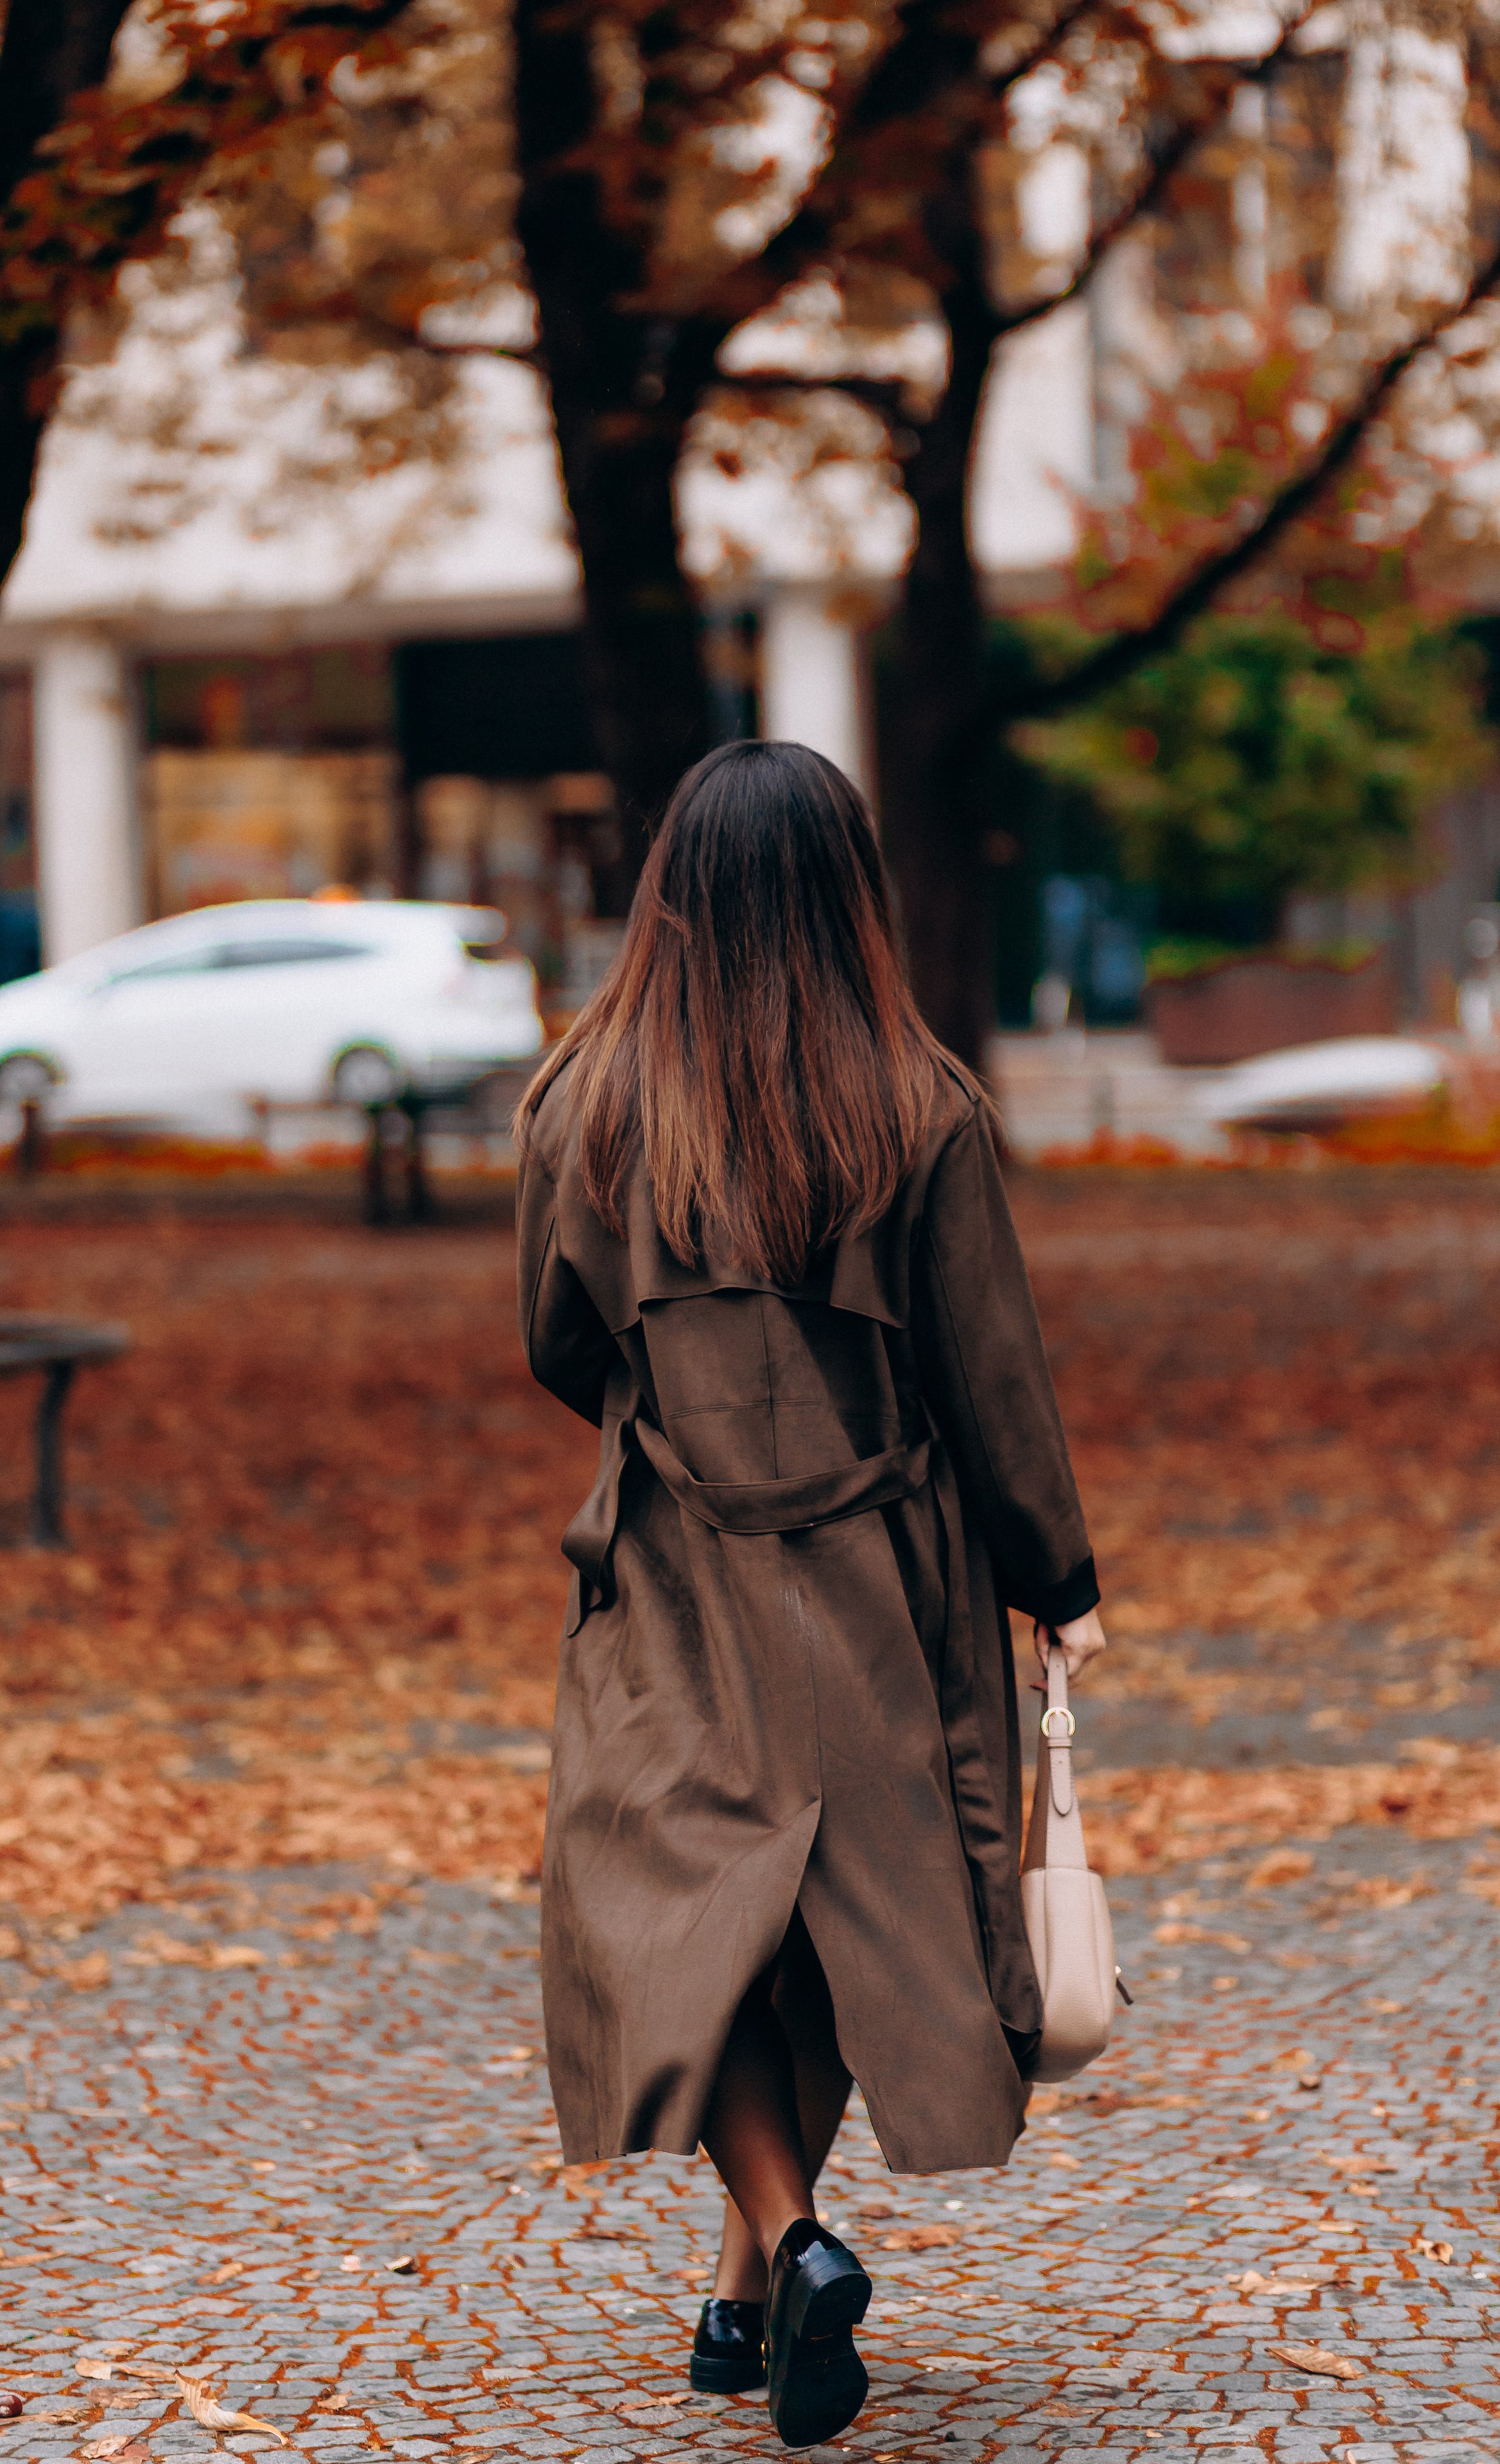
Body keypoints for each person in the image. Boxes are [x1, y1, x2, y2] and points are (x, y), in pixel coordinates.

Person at [515, 741, 1107, 2451]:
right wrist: (1056, 1580)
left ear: (672, 894)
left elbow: (556, 1336)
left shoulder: (586, 1104)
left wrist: (679, 1417)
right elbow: (996, 1380)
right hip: (887, 1582)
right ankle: (775, 2262)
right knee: (844, 1918)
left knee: (673, 1918)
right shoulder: (918, 1112)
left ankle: (767, 2260)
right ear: (853, 894)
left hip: (673, 1577)